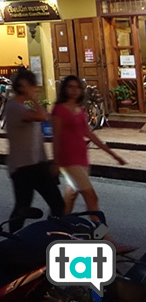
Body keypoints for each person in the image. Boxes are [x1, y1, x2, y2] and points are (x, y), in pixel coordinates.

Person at [52, 75, 126, 215]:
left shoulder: (80, 109)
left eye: (77, 87)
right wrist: (56, 161)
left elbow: (89, 134)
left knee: (71, 195)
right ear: (64, 89)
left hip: (81, 157)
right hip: (68, 159)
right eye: (70, 87)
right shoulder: (59, 110)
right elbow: (56, 137)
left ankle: (61, 224)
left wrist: (112, 154)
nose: (74, 90)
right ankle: (101, 233)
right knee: (91, 197)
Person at [3, 68, 64, 232]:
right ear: (23, 86)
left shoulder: (22, 107)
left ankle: (50, 234)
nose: (36, 89)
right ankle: (14, 242)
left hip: (35, 164)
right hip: (25, 167)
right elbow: (42, 116)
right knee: (24, 207)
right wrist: (33, 98)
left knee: (53, 204)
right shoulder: (15, 107)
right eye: (33, 85)